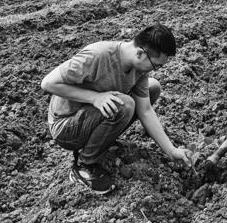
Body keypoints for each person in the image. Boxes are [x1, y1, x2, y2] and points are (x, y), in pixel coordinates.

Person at [40, 23, 193, 194]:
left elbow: (146, 110)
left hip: (88, 117)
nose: (155, 69)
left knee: (152, 88)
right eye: (155, 65)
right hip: (65, 126)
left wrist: (172, 151)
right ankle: (84, 165)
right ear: (141, 53)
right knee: (124, 104)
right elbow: (48, 83)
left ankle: (101, 141)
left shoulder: (138, 70)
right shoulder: (97, 55)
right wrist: (95, 98)